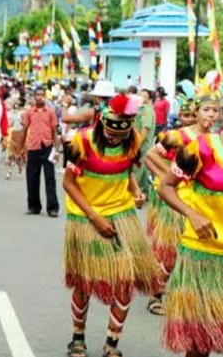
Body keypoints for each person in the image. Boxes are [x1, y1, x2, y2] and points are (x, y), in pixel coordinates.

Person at [63, 93, 158, 357]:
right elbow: (68, 183)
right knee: (84, 282)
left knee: (126, 280)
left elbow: (126, 170)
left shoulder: (133, 139)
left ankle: (111, 343)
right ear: (102, 124)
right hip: (86, 217)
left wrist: (136, 191)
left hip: (121, 214)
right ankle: (77, 339)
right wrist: (95, 217)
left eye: (121, 135)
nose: (116, 139)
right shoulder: (82, 141)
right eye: (111, 134)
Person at [144, 79, 219, 316]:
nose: (211, 114)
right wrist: (165, 177)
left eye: (215, 110)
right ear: (196, 112)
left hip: (199, 204)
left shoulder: (216, 141)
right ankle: (156, 295)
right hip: (176, 202)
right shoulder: (177, 136)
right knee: (169, 251)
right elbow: (150, 155)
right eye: (206, 109)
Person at [158, 111, 223, 357]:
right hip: (204, 256)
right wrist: (191, 213)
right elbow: (166, 186)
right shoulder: (202, 148)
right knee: (200, 344)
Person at [23, 87, 60, 217]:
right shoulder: (29, 113)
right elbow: (25, 129)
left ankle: (52, 208)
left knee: (50, 177)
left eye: (42, 95)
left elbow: (54, 131)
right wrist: (21, 147)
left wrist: (57, 148)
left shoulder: (50, 113)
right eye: (37, 95)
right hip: (33, 147)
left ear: (45, 97)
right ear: (34, 97)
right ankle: (34, 206)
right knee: (32, 177)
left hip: (47, 146)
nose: (39, 97)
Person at [133, 88, 157, 196]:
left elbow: (145, 129)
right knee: (143, 171)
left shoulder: (147, 110)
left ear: (149, 99)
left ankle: (135, 193)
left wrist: (137, 145)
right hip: (140, 144)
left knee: (137, 170)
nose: (141, 98)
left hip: (142, 145)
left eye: (144, 96)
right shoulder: (140, 109)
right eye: (140, 95)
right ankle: (146, 193)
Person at [6, 96, 26, 179]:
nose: (16, 104)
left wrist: (23, 124)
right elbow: (11, 124)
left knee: (18, 154)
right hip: (13, 133)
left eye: (18, 102)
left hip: (20, 134)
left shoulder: (24, 113)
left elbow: (25, 125)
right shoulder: (14, 112)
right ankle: (12, 170)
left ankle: (15, 171)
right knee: (12, 154)